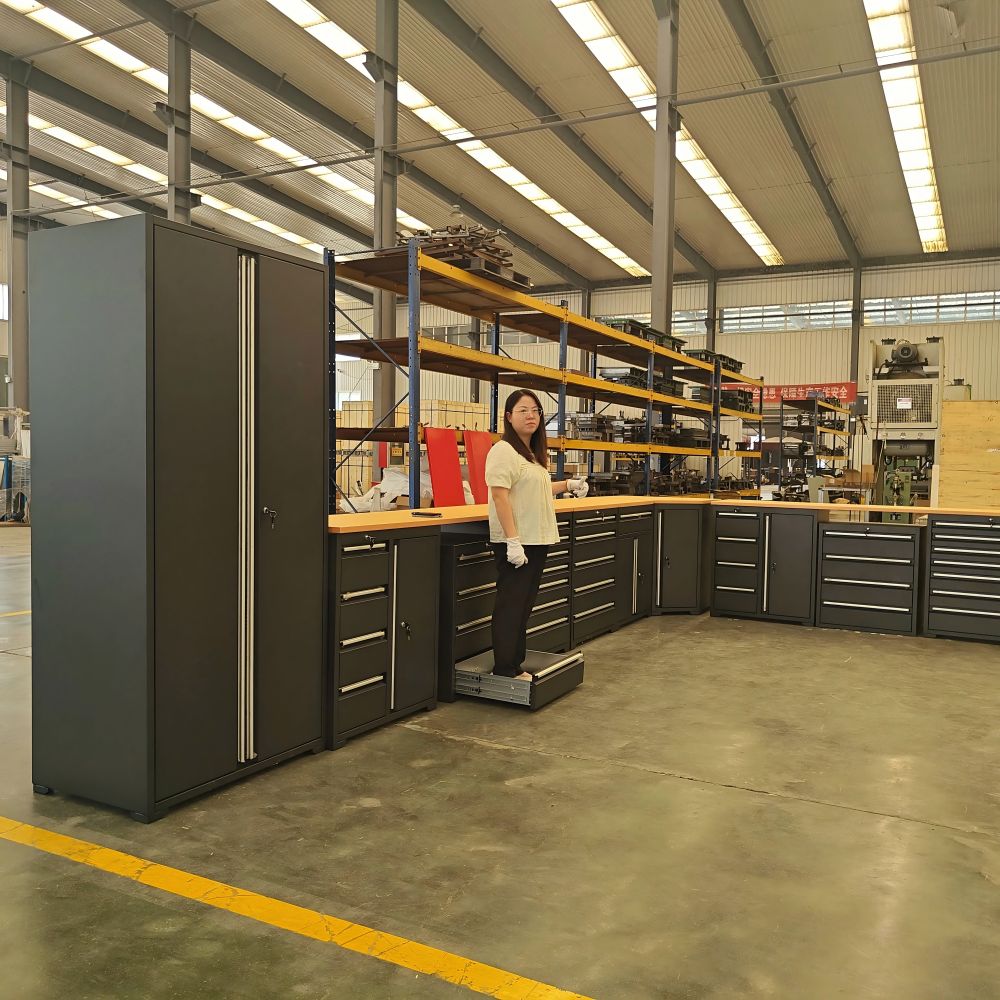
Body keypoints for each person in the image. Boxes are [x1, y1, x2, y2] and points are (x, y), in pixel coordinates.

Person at [485, 389, 588, 680]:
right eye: (523, 410)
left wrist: (567, 485)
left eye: (536, 411)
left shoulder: (530, 453)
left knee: (523, 607)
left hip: (536, 539)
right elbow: (500, 496)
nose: (531, 416)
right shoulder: (503, 450)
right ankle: (505, 668)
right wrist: (512, 541)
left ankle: (515, 664)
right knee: (511, 606)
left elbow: (535, 488)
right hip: (518, 541)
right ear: (508, 416)